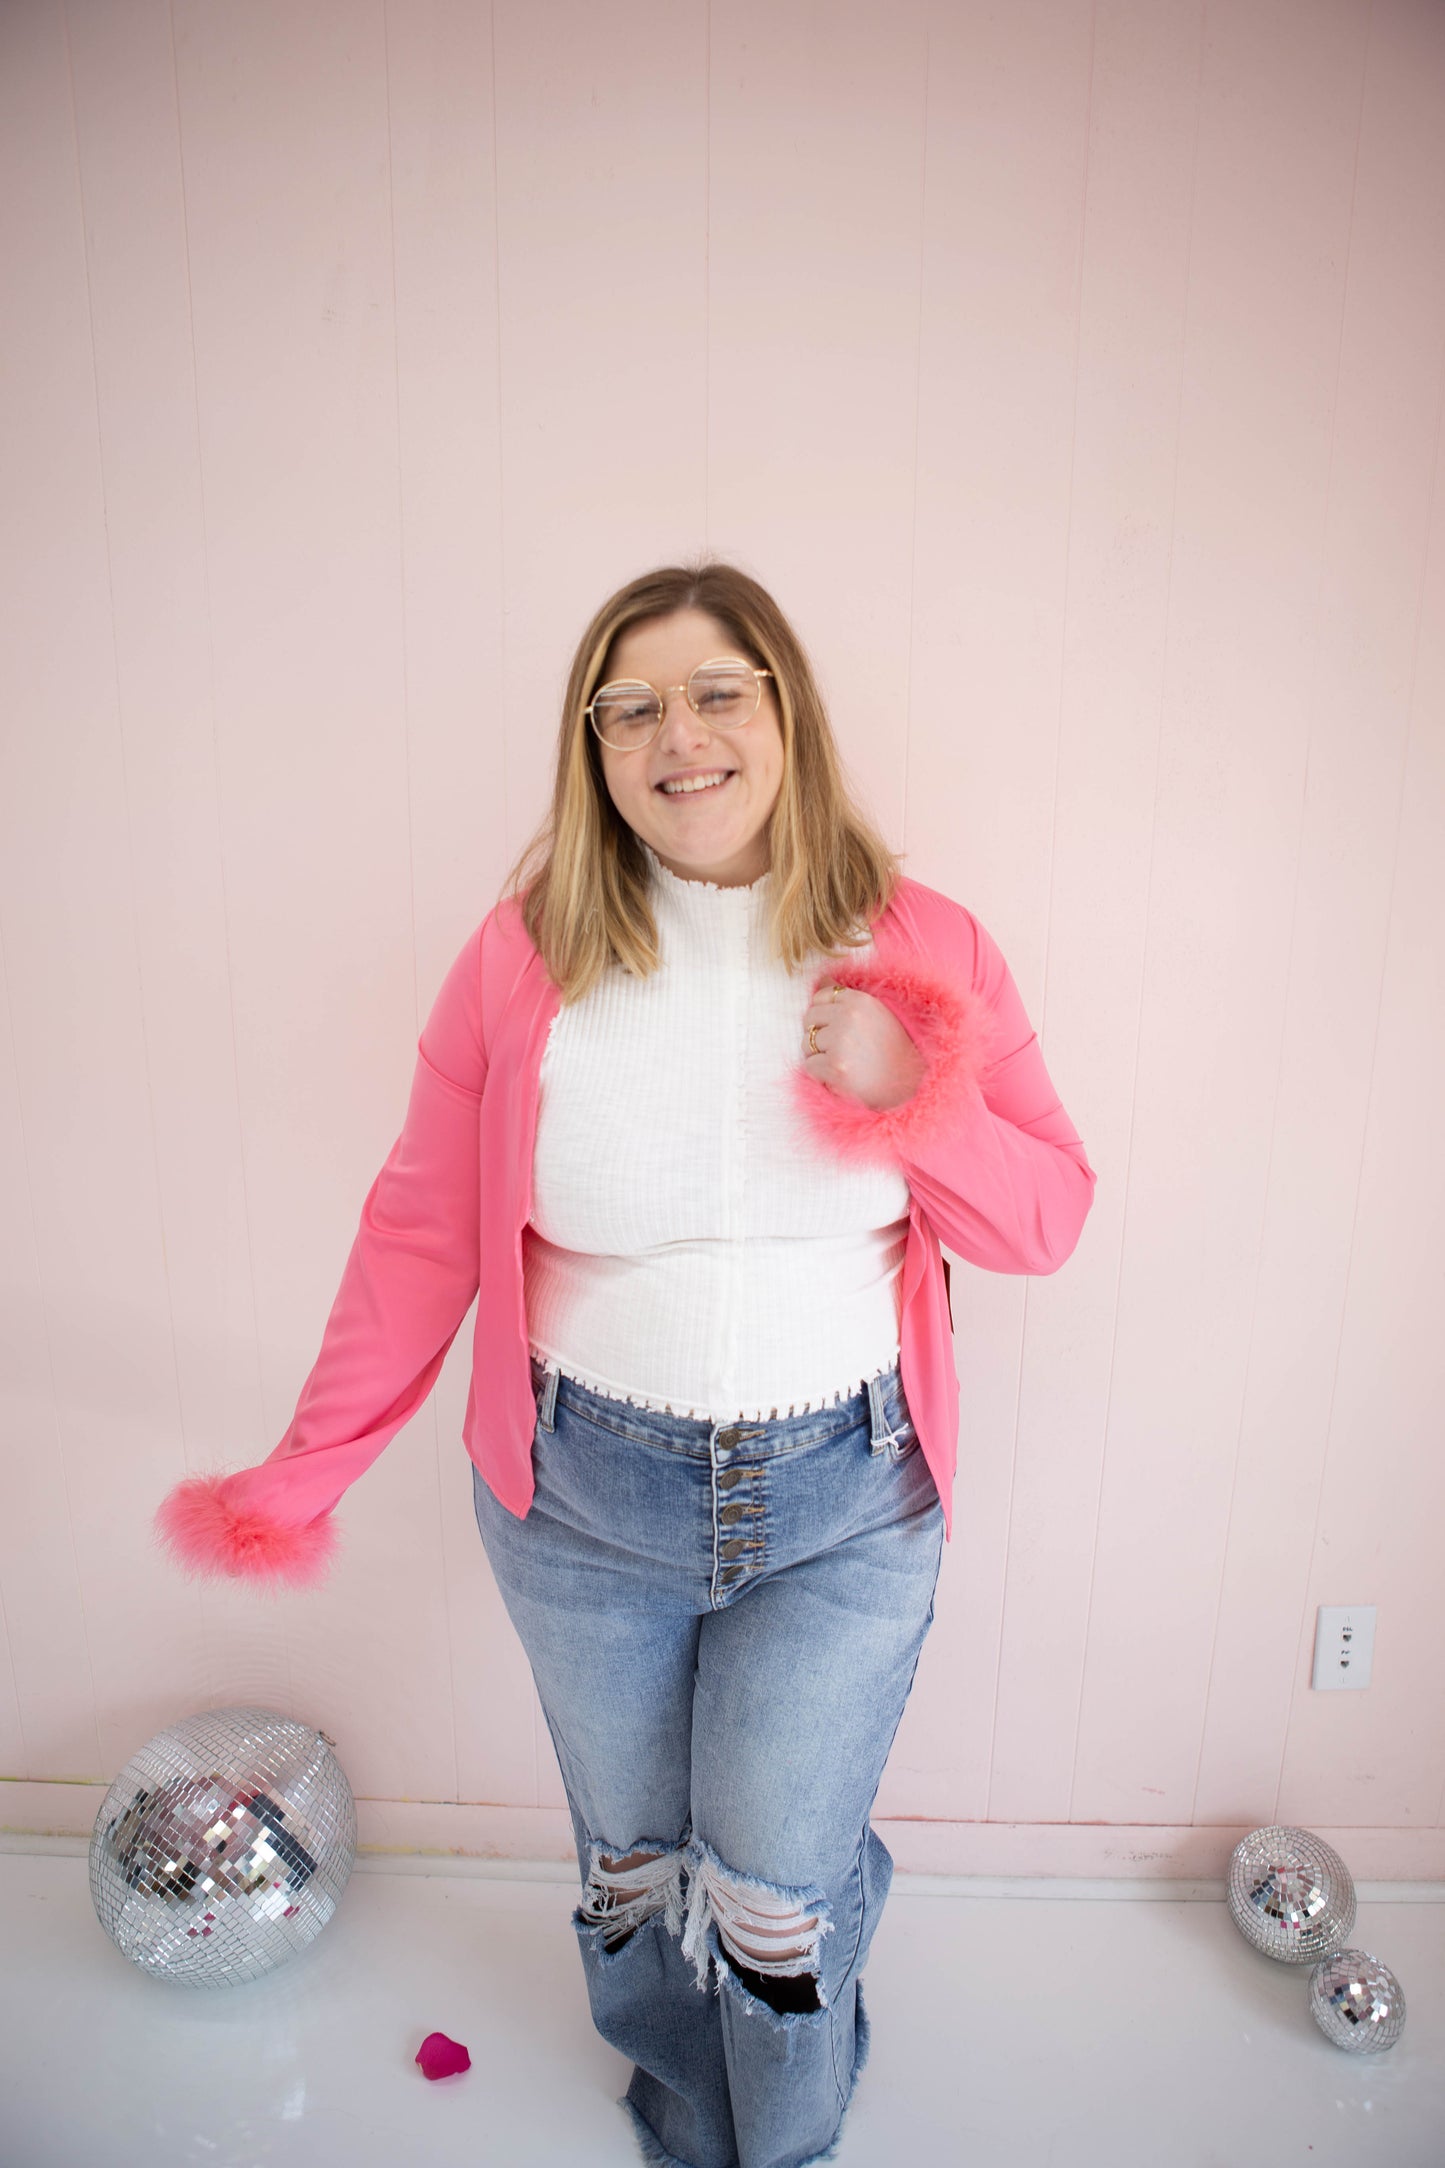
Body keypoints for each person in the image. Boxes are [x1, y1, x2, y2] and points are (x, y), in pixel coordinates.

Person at [155, 558, 1096, 2168]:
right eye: (632, 707)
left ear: (785, 710)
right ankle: (678, 2091)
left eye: (718, 691)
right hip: (584, 1506)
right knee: (632, 1862)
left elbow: (1046, 1220)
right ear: (593, 747)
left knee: (776, 1892)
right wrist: (297, 1478)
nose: (681, 737)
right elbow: (418, 1233)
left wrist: (914, 1093)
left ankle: (781, 2135)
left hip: (844, 1505)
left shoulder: (921, 944)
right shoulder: (525, 955)